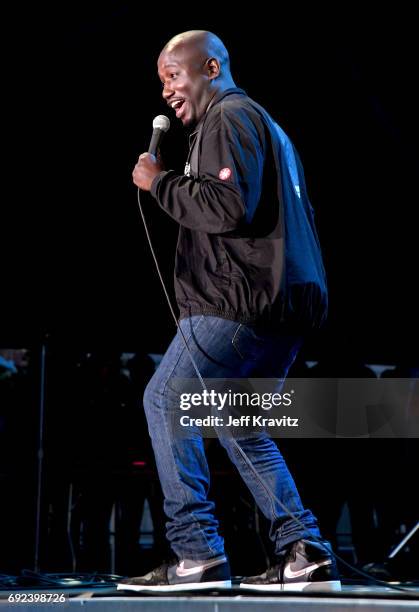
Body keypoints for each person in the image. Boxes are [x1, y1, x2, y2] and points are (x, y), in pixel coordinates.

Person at [118, 30, 340, 592]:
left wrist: (159, 182)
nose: (167, 89)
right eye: (162, 79)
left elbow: (228, 206)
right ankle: (302, 550)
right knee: (237, 423)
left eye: (174, 74)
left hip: (239, 299)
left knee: (166, 399)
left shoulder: (229, 118)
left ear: (210, 67)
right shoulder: (267, 126)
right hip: (283, 302)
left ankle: (196, 552)